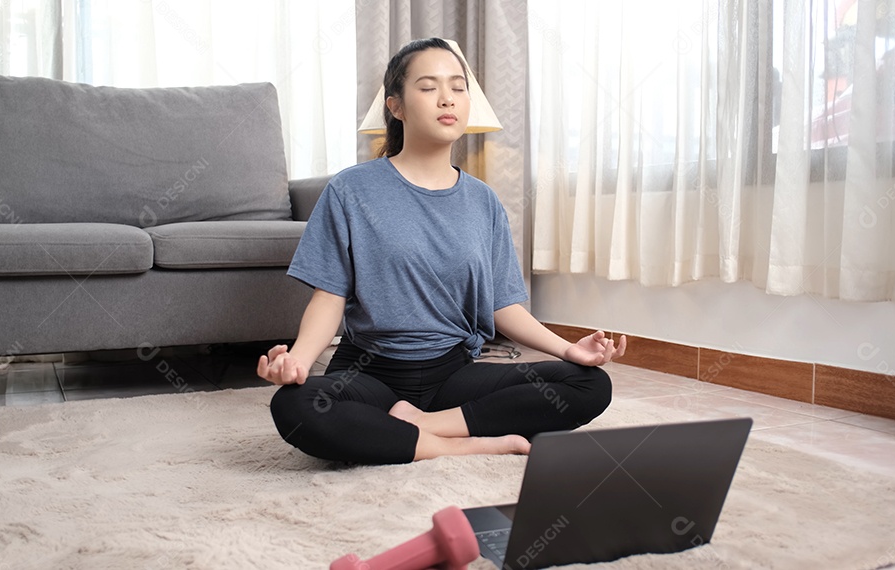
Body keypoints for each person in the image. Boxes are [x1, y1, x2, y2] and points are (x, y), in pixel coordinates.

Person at [259, 37, 627, 465]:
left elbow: (502, 306)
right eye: (429, 87)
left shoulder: (483, 201)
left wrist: (569, 349)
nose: (447, 98)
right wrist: (298, 363)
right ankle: (468, 442)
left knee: (590, 385)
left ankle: (424, 426)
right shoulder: (351, 190)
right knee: (293, 407)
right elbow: (329, 297)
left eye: (458, 86)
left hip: (452, 374)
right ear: (396, 106)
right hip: (369, 371)